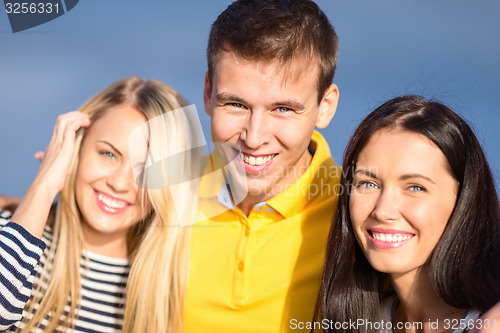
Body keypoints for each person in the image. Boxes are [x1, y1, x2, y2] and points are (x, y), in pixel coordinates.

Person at [184, 0, 341, 332]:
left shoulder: (356, 216)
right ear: (208, 92)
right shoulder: (162, 195)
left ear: (324, 106)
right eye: (236, 104)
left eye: (283, 109)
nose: (254, 138)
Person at [0, 76, 201, 332]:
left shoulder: (170, 289)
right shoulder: (9, 235)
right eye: (108, 154)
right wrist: (44, 184)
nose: (120, 183)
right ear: (76, 149)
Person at [319, 95, 500, 332]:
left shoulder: (489, 322)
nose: (383, 211)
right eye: (368, 184)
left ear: (465, 200)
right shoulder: (360, 322)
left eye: (415, 187)